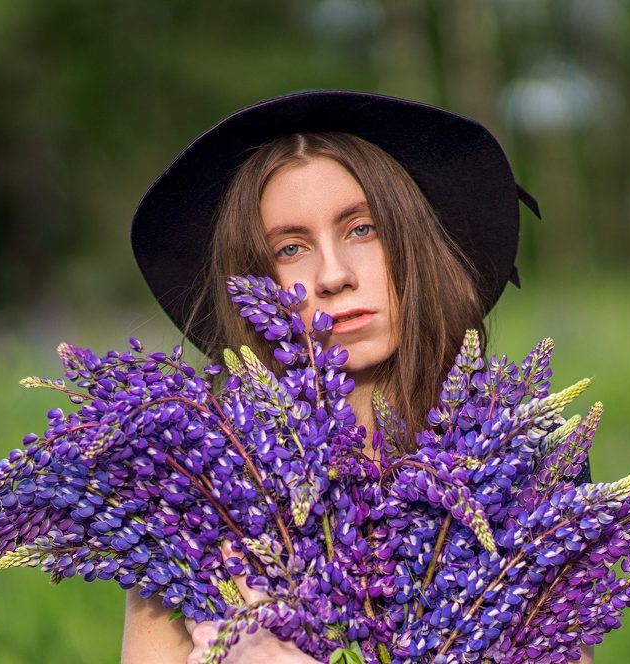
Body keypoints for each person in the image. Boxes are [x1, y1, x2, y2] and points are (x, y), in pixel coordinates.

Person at [122, 91, 594, 664]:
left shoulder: (522, 460)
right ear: (253, 282)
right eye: (290, 248)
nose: (333, 275)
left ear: (413, 240)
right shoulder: (197, 485)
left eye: (362, 229)